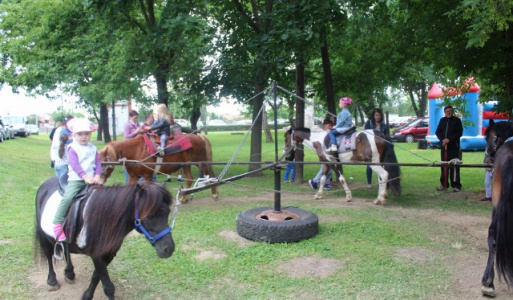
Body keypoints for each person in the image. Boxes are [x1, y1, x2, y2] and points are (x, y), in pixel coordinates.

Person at [52, 118, 102, 241]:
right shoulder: (73, 148)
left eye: (86, 134)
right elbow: (75, 165)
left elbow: (98, 163)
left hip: (93, 179)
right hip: (77, 180)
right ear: (74, 135)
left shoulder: (93, 148)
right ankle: (57, 223)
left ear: (90, 134)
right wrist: (85, 177)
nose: (83, 137)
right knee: (68, 198)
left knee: (105, 196)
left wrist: (97, 176)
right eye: (80, 134)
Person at [435, 105, 463, 192]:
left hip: (453, 147)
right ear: (444, 112)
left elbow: (459, 133)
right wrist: (443, 140)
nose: (448, 113)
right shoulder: (442, 120)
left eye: (450, 111)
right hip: (444, 147)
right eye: (447, 111)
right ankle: (444, 184)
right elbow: (438, 132)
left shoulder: (457, 121)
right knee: (444, 165)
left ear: (452, 111)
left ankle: (456, 185)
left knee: (454, 165)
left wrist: (449, 140)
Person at [364, 108, 389, 188]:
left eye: (378, 115)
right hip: (370, 147)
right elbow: (365, 134)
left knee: (383, 165)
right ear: (373, 116)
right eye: (376, 115)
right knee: (370, 165)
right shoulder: (369, 123)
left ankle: (383, 182)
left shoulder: (384, 125)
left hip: (381, 148)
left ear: (381, 116)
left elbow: (387, 136)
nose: (377, 117)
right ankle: (369, 183)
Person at [308, 118, 335, 190]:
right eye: (329, 126)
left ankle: (326, 183)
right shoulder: (322, 134)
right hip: (323, 154)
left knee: (329, 170)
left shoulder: (329, 133)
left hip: (328, 154)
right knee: (324, 169)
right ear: (325, 126)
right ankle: (314, 181)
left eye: (331, 126)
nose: (330, 127)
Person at [123, 110, 142, 183]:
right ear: (130, 117)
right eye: (135, 118)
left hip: (137, 147)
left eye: (137, 118)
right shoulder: (127, 125)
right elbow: (126, 136)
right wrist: (136, 132)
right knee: (129, 164)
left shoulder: (138, 124)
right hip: (129, 147)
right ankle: (128, 182)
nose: (136, 119)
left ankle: (137, 181)